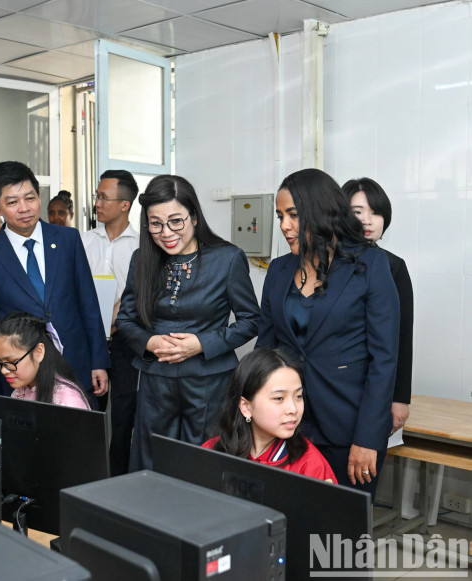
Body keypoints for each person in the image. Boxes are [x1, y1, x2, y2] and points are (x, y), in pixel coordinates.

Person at [257, 168, 399, 494]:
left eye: (293, 215)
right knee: (287, 524)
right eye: (280, 216)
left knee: (339, 536)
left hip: (347, 426)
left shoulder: (370, 266)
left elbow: (384, 360)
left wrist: (367, 439)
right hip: (287, 424)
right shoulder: (278, 271)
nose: (284, 226)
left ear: (320, 210)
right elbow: (265, 352)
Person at [115, 174, 259, 471]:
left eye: (175, 221)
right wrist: (149, 342)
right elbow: (126, 320)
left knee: (206, 463)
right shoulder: (142, 258)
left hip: (210, 381)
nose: (166, 232)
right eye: (155, 224)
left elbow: (250, 321)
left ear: (194, 216)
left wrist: (201, 344)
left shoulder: (227, 258)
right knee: (152, 461)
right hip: (156, 380)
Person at [0, 161, 110, 403]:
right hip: (21, 379)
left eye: (29, 198)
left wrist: (98, 361)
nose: (24, 208)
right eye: (12, 202)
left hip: (76, 365)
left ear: (39, 196)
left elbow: (88, 303)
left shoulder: (68, 239)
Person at [342, 177, 413, 433]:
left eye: (376, 212)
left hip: (376, 386)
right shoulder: (326, 263)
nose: (368, 220)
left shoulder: (393, 266)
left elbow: (402, 336)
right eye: (358, 212)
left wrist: (400, 398)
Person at [203, 348, 337, 483]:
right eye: (279, 398)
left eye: (298, 396)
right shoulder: (212, 451)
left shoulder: (311, 465)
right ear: (245, 407)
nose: (293, 409)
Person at [81, 169, 140, 474]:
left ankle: (118, 476)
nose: (97, 203)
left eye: (104, 197)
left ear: (125, 204)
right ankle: (86, 474)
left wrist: (119, 320)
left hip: (125, 342)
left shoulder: (141, 247)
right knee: (87, 411)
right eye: (97, 196)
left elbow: (141, 295)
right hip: (89, 341)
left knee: (123, 415)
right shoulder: (82, 241)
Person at [0, 312, 91, 409]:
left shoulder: (68, 401)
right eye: (0, 361)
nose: (4, 370)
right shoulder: (21, 390)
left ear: (38, 352)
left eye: (11, 361)